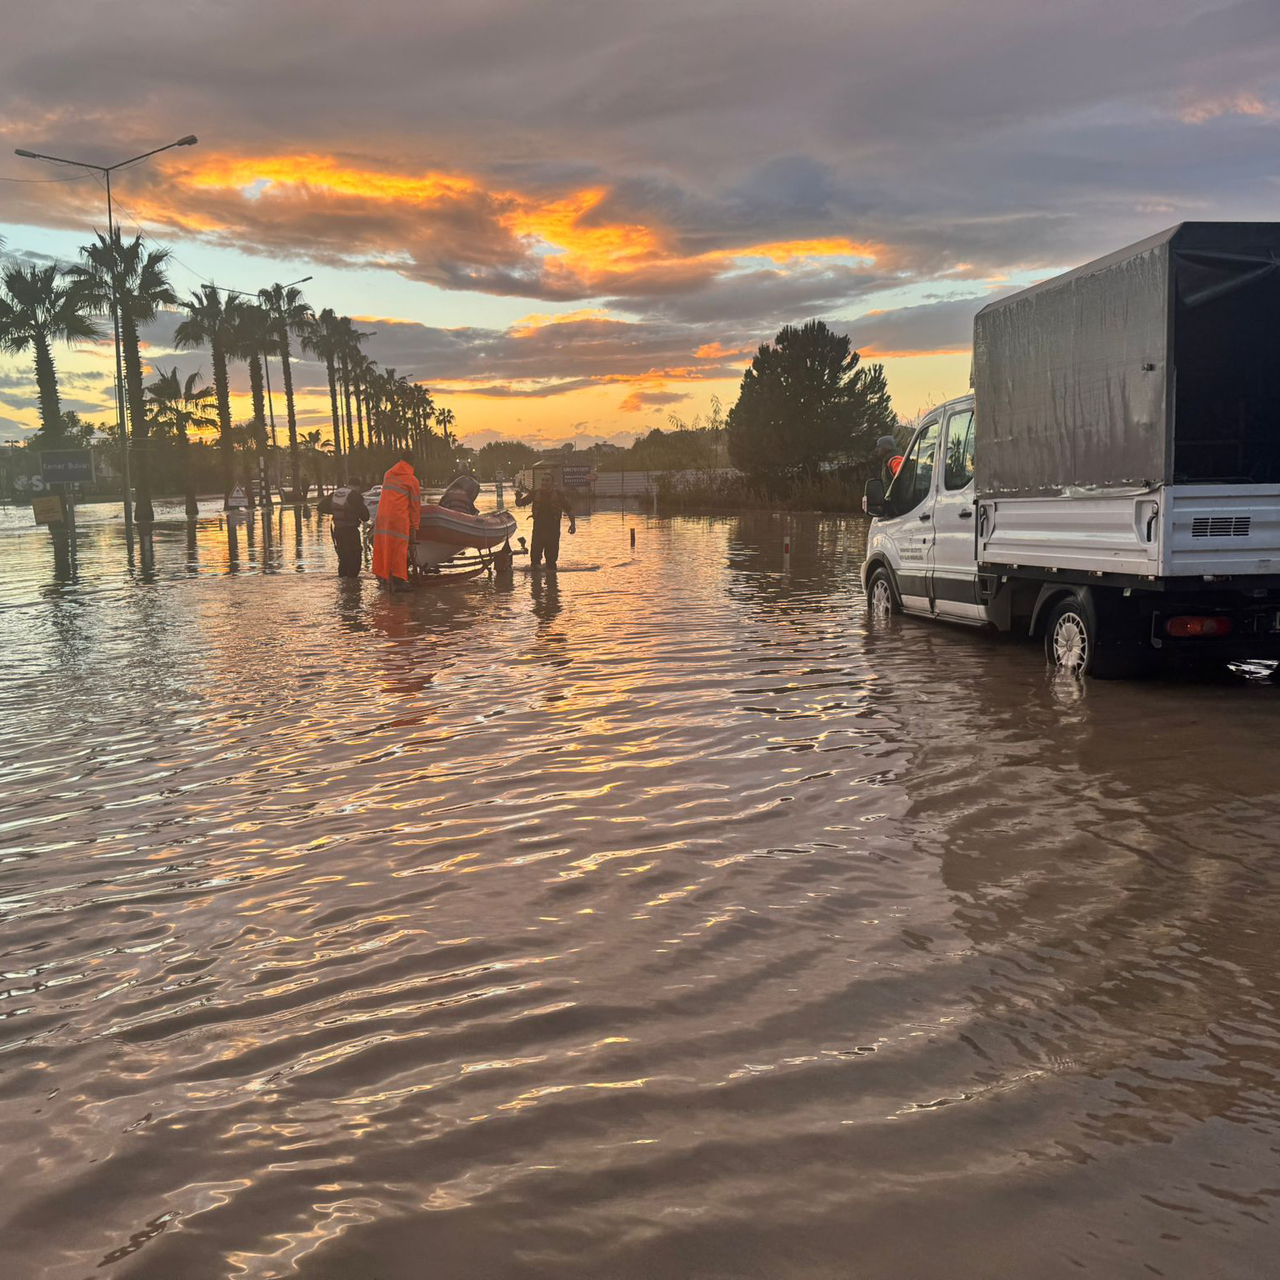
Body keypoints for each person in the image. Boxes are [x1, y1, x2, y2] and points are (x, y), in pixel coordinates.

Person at [372, 452, 421, 590]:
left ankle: (383, 576)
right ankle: (399, 581)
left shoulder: (388, 474)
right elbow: (415, 506)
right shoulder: (412, 480)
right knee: (399, 548)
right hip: (398, 518)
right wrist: (414, 527)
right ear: (413, 462)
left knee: (384, 546)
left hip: (382, 517)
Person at [515, 471, 576, 570]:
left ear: (552, 482)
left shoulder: (559, 495)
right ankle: (536, 579)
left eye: (547, 480)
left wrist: (573, 524)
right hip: (538, 532)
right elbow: (520, 503)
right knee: (535, 562)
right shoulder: (535, 494)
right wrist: (518, 498)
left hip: (553, 532)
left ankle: (551, 579)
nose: (544, 482)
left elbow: (569, 510)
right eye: (543, 480)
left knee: (551, 562)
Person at [321, 476, 370, 578]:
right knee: (355, 556)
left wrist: (336, 512)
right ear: (358, 486)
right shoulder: (355, 495)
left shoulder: (335, 494)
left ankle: (342, 580)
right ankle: (353, 582)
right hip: (351, 531)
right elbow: (365, 517)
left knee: (343, 557)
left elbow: (320, 507)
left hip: (338, 531)